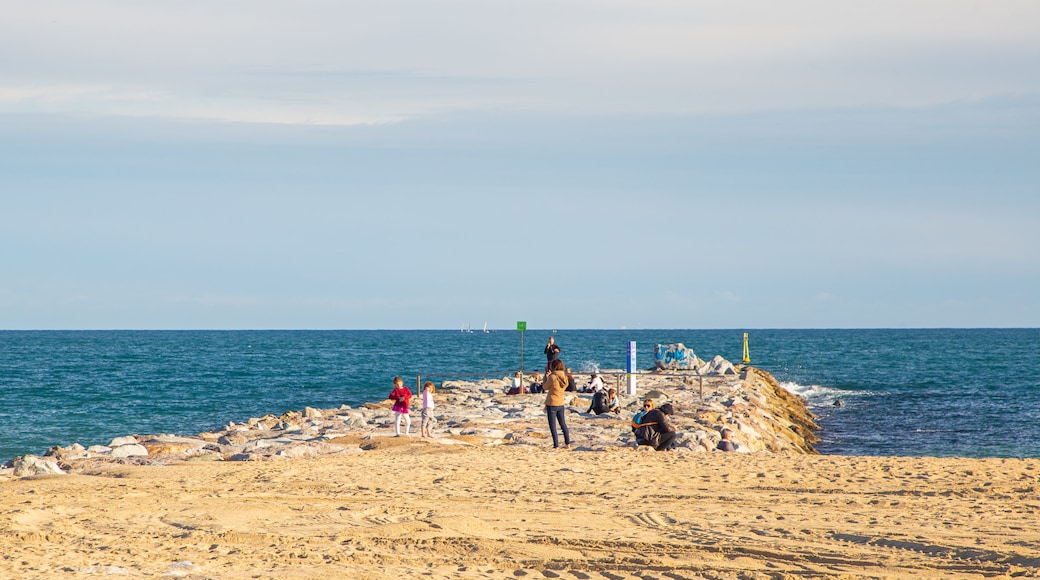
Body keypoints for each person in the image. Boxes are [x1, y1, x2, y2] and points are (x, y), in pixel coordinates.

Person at [543, 359, 572, 449]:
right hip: (561, 403)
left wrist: (545, 377)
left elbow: (545, 387)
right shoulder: (564, 376)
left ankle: (556, 445)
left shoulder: (553, 377)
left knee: (553, 425)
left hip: (552, 403)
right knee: (563, 424)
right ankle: (567, 443)